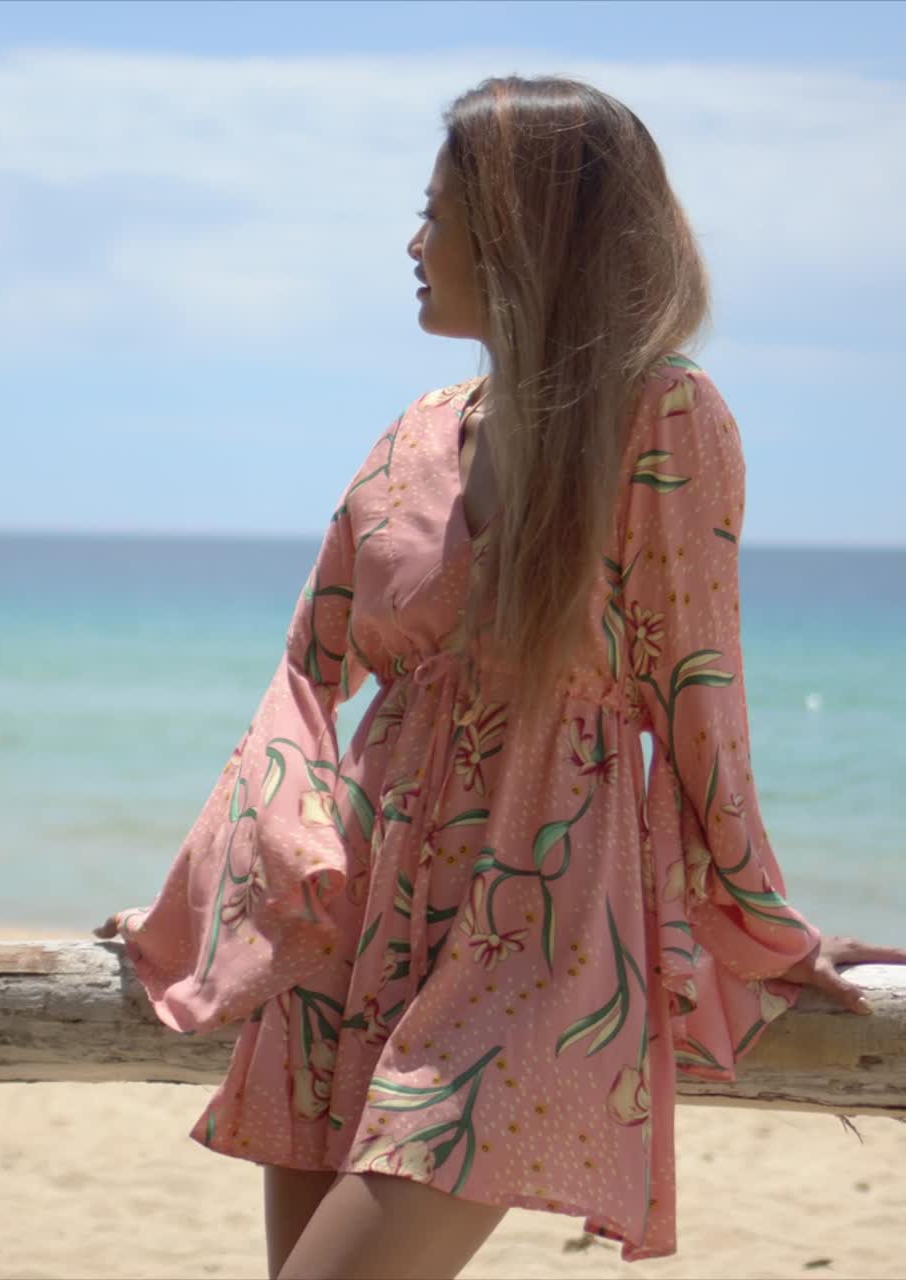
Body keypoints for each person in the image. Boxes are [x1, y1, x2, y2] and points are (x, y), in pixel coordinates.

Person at [94, 75, 906, 1279]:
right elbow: (303, 683)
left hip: (537, 925)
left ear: (527, 229)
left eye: (441, 211)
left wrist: (762, 923)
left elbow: (698, 694)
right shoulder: (415, 430)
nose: (413, 243)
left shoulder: (662, 415)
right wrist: (207, 903)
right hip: (355, 923)